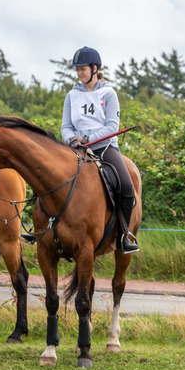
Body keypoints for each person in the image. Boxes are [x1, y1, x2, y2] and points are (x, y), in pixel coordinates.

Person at [60, 46, 139, 254]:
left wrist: (87, 139)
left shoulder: (108, 93)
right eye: (77, 70)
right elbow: (66, 126)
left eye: (83, 69)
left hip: (104, 148)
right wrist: (71, 140)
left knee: (126, 185)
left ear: (95, 68)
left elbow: (112, 126)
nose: (79, 73)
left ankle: (124, 235)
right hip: (76, 150)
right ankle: (44, 229)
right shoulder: (71, 95)